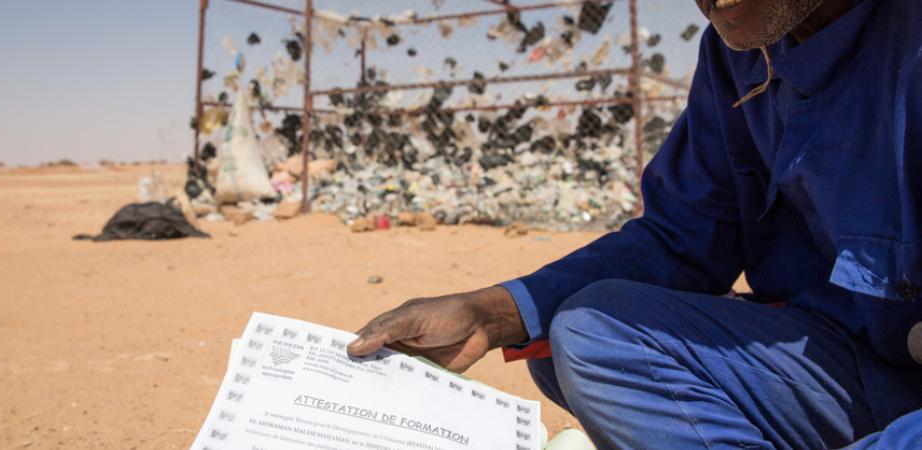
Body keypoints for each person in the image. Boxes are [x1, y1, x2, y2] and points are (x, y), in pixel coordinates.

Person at [349, 0, 922, 448]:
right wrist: (492, 312)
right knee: (569, 336)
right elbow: (682, 238)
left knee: (590, 336)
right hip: (841, 359)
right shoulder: (738, 59)